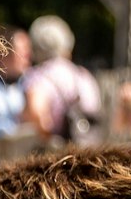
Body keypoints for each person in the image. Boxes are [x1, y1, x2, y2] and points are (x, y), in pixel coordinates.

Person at [23, 14, 100, 145]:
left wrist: (50, 140)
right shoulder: (83, 75)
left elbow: (37, 114)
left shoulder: (39, 76)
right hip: (88, 153)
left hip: (58, 158)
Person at [0, 27, 32, 139]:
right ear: (3, 54)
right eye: (22, 53)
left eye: (28, 53)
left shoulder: (27, 86)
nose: (27, 58)